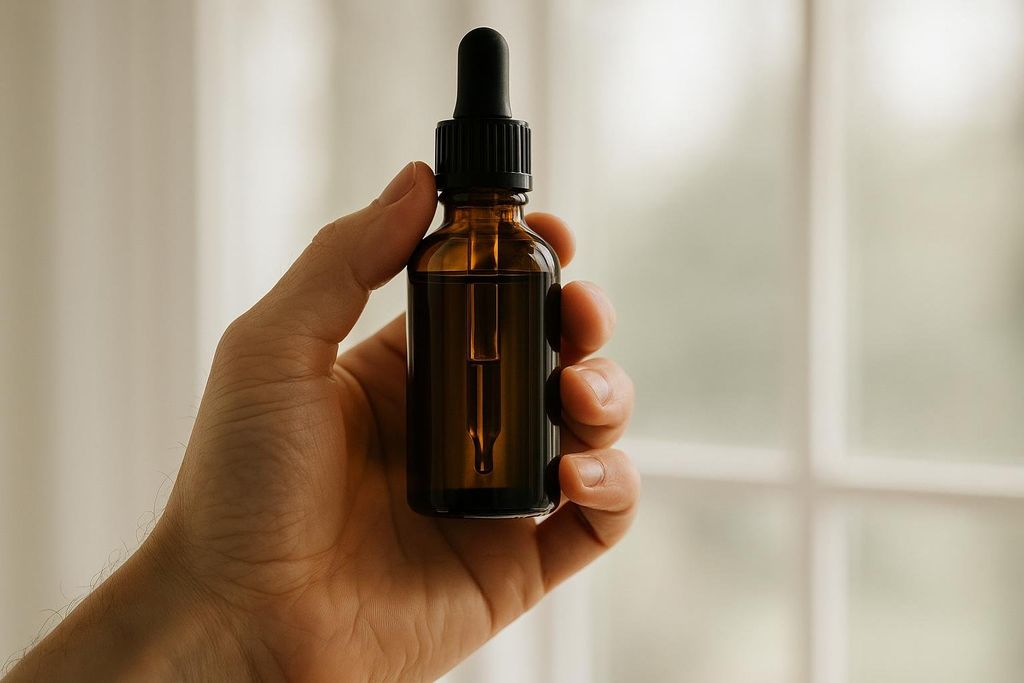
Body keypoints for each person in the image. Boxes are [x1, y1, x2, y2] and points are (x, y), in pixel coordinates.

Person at [6, 162, 639, 682]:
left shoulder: (521, 258)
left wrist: (233, 628)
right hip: (371, 539)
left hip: (414, 561)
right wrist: (221, 601)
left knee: (578, 368)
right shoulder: (447, 255)